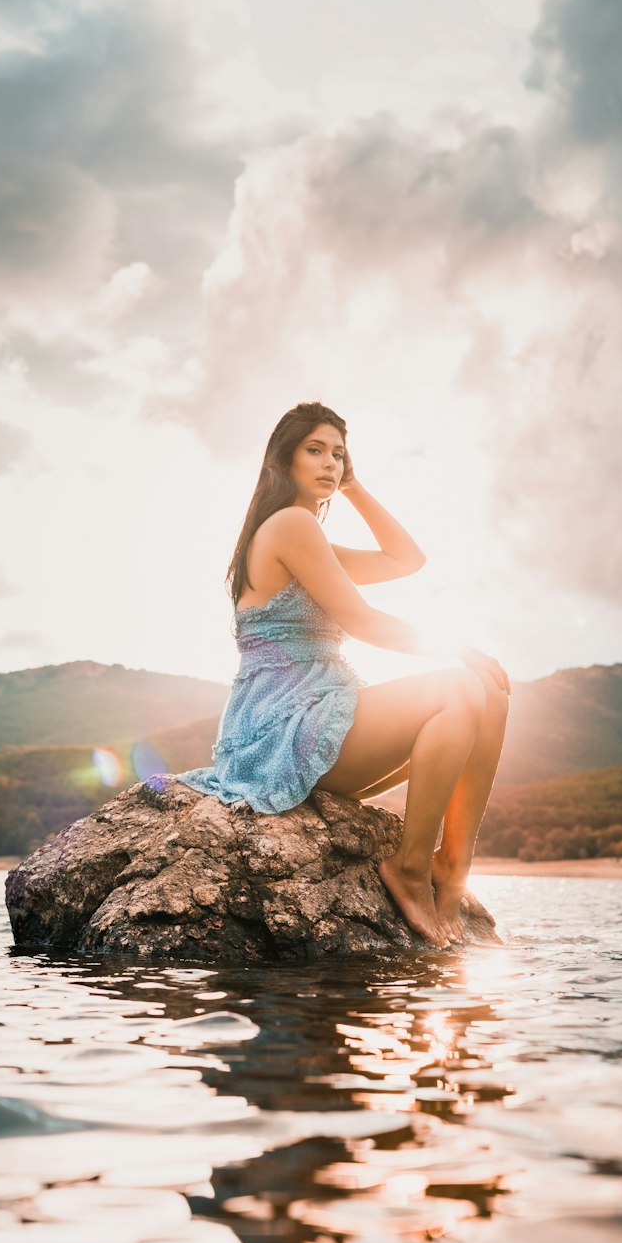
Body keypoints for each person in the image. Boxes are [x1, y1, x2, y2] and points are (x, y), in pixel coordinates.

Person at [176, 401, 510, 947]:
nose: (330, 463)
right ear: (283, 458)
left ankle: (452, 867)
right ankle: (407, 868)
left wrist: (354, 488)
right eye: (316, 450)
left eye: (338, 454)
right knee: (460, 683)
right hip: (287, 729)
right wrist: (460, 648)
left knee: (491, 694)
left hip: (326, 717)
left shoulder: (310, 539)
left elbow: (407, 559)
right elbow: (361, 620)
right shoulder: (289, 525)